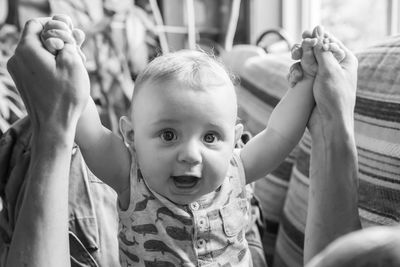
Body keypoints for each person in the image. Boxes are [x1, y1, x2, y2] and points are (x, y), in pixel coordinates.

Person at [37, 15, 345, 266]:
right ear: (131, 136)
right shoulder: (130, 177)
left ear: (234, 141)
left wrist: (308, 77)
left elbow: (278, 133)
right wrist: (69, 59)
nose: (191, 155)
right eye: (169, 135)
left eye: (211, 137)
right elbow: (90, 134)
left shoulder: (234, 171)